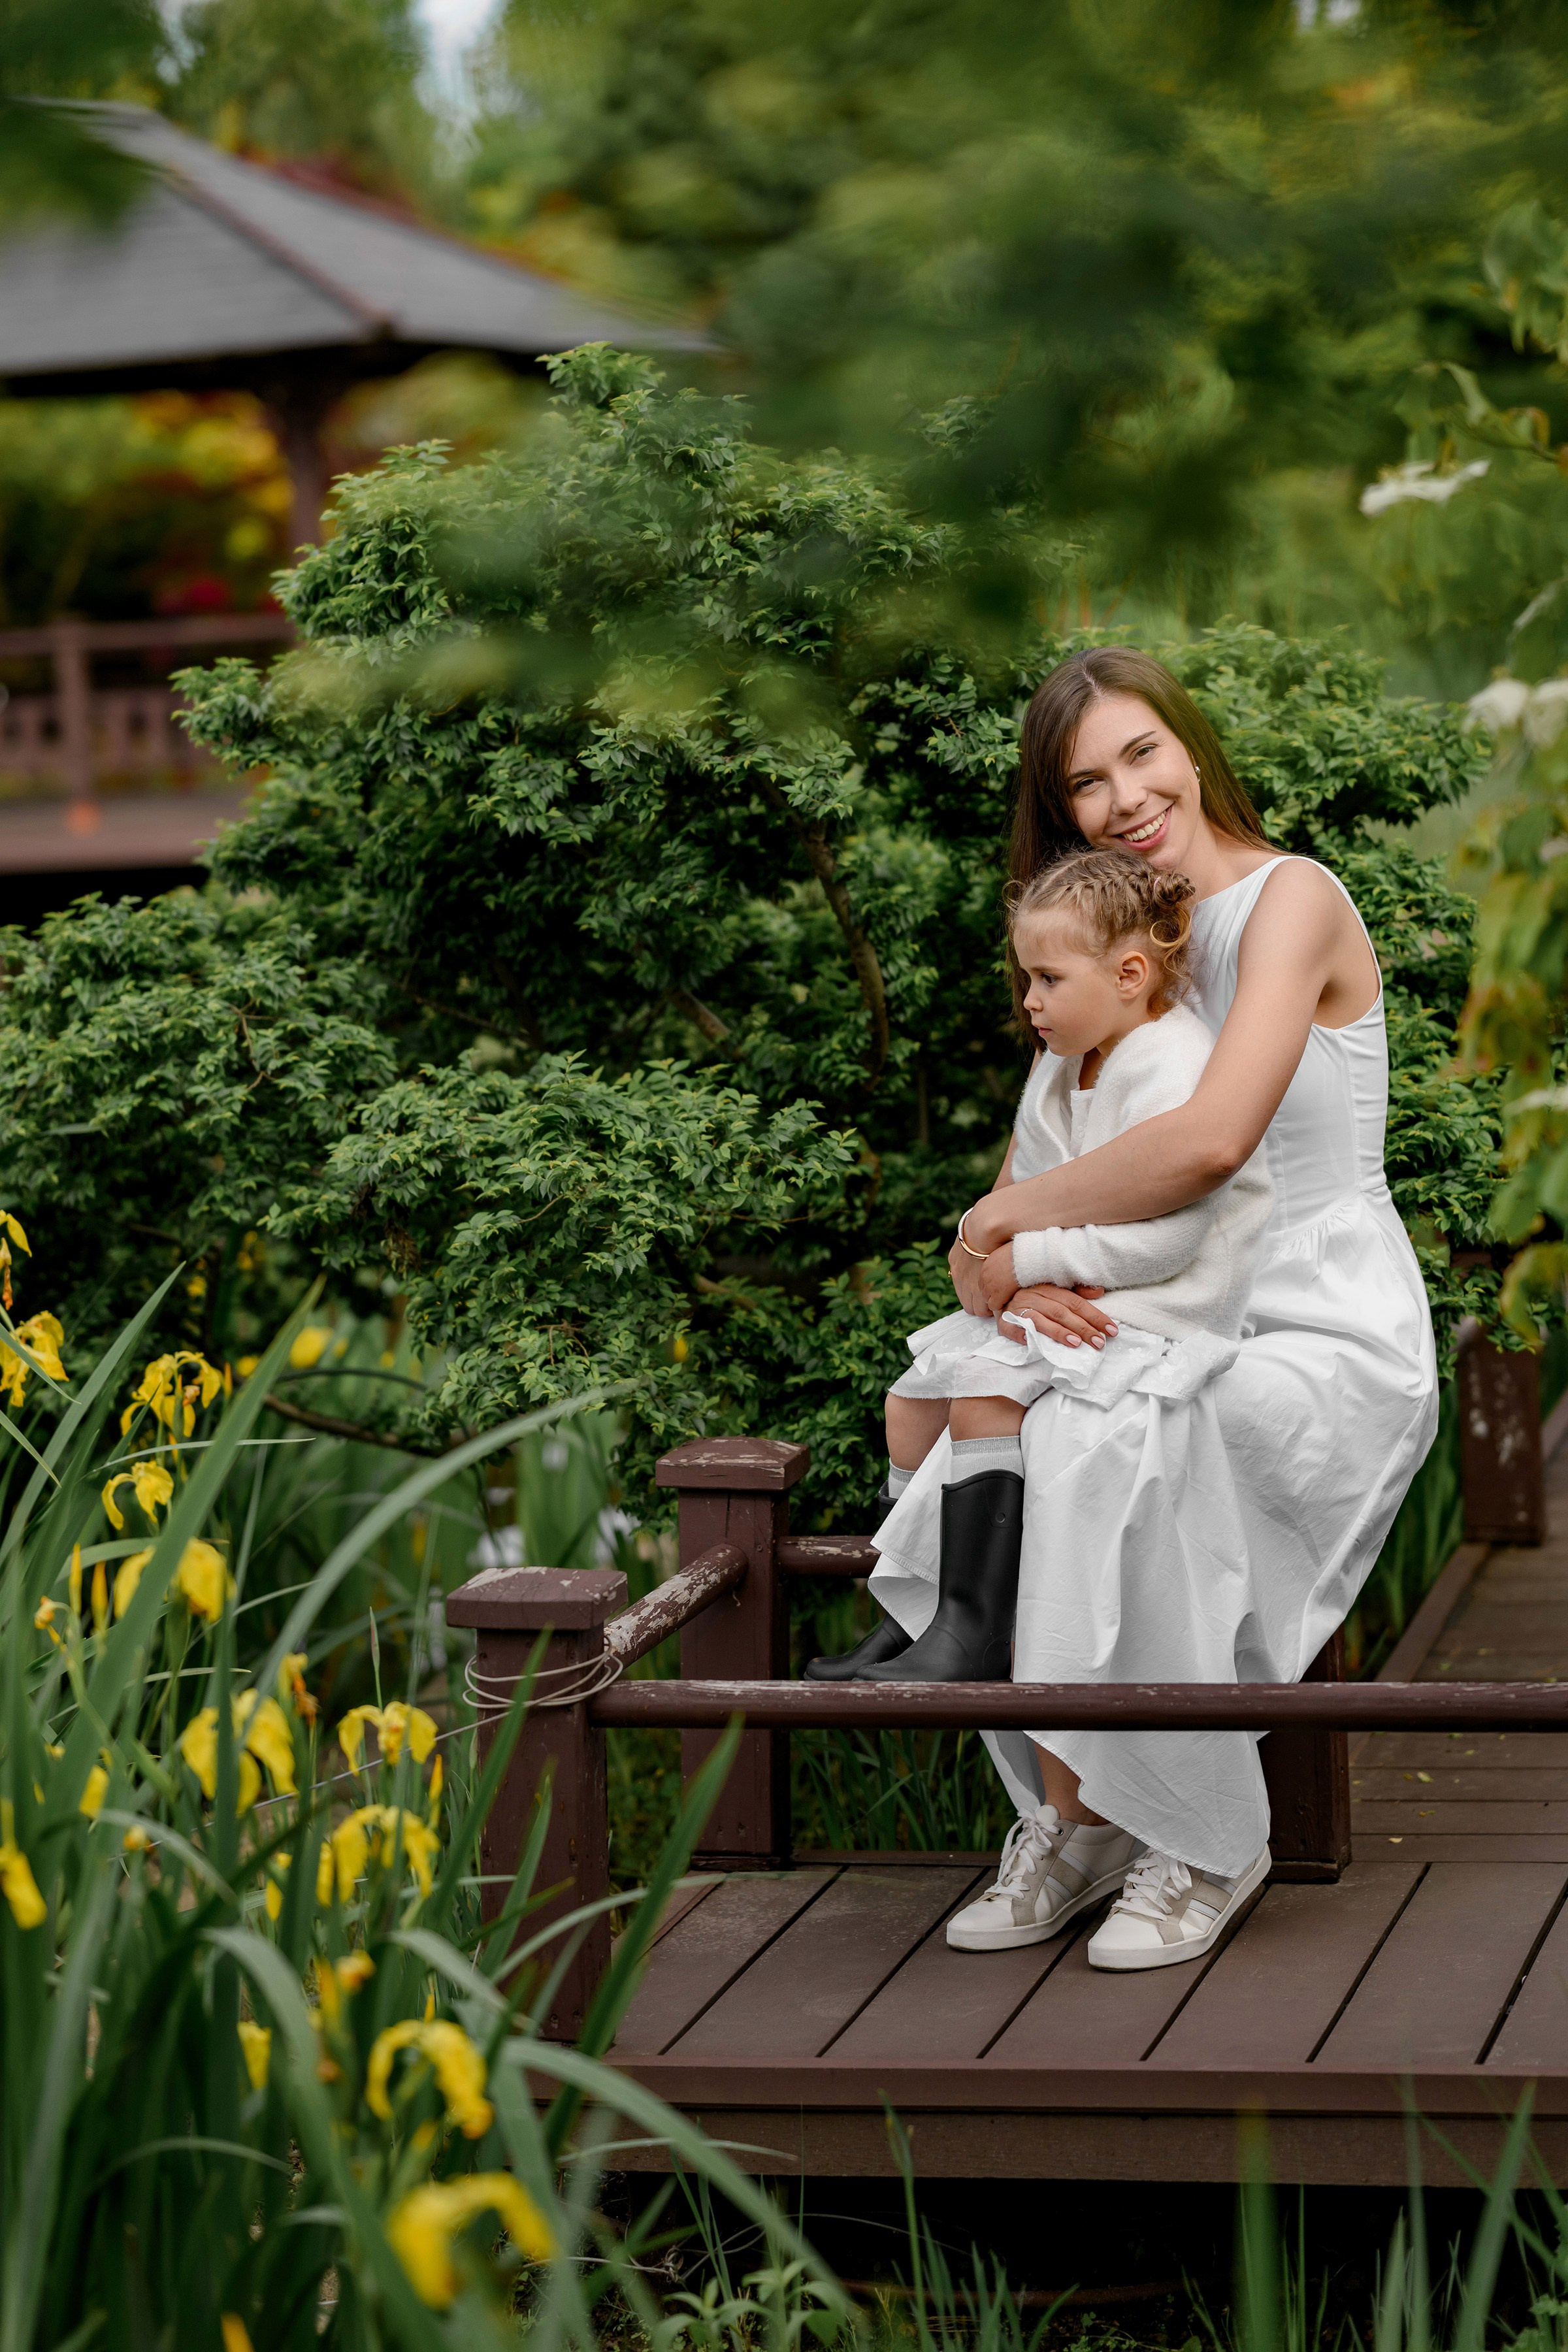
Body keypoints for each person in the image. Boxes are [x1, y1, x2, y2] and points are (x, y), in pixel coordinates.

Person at [854, 645, 1438, 1974]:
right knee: (985, 1418)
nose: (1124, 797)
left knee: (1126, 1439)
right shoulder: (1104, 950)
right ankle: (1082, 1816)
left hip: (1312, 1310)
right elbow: (1029, 1185)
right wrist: (1015, 1265)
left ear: (1188, 744)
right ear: (1060, 817)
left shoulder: (1290, 902)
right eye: (1085, 784)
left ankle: (1204, 1839)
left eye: (1141, 754)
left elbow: (1215, 1141)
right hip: (1160, 1293)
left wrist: (1014, 1229)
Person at [806, 848, 1273, 1702]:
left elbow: (1176, 1236)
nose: (1030, 1002)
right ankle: (918, 1613)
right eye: (1027, 978)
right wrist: (1017, 1282)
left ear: (1130, 973)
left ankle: (976, 1630)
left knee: (983, 1390)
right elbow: (1025, 1198)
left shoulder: (1169, 1063)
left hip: (1164, 1306)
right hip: (1082, 1292)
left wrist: (1034, 1263)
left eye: (1049, 979)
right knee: (909, 1402)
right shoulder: (1069, 1063)